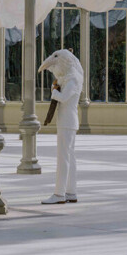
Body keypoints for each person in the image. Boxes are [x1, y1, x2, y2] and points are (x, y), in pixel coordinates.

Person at [38, 49, 84, 204]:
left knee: (63, 157)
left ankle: (59, 194)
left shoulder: (72, 80)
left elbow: (63, 98)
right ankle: (71, 192)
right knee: (69, 157)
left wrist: (54, 92)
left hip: (67, 122)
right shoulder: (72, 77)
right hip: (68, 121)